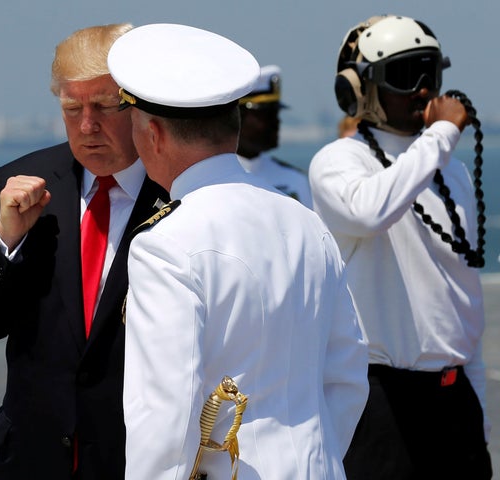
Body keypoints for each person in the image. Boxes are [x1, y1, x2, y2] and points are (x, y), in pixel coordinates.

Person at [107, 23, 368, 480]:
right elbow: (346, 378)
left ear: (153, 134)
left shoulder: (165, 244)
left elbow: (164, 417)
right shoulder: (306, 223)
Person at [0, 23, 168, 479]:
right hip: (30, 459)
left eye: (104, 106)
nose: (87, 125)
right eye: (72, 108)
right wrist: (5, 239)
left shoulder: (176, 189)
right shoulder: (20, 182)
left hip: (136, 460)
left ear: (141, 108)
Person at [308, 15, 492, 479]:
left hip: (453, 396)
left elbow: (462, 294)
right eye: (406, 75)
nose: (424, 90)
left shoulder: (447, 168)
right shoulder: (338, 161)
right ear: (362, 88)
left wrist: (479, 411)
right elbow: (370, 211)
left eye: (432, 72)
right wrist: (441, 135)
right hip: (381, 401)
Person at [237, 64, 313, 207]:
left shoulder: (294, 179)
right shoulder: (211, 179)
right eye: (266, 115)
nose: (276, 122)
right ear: (239, 117)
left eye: (276, 114)